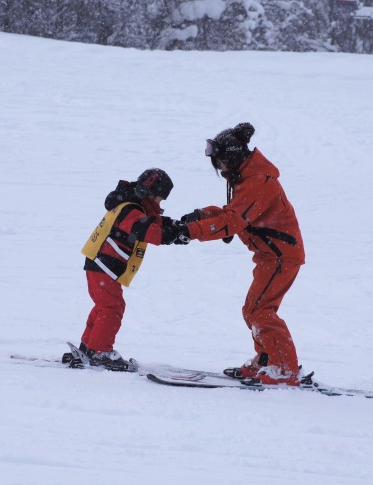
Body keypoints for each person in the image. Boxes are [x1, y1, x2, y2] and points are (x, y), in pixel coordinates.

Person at [174, 123, 306, 386]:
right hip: (270, 256)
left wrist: (193, 231)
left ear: (232, 157)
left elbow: (233, 221)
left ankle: (284, 371)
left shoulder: (258, 181)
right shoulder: (248, 177)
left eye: (220, 161)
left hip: (281, 256)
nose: (219, 168)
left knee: (261, 311)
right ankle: (268, 360)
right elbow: (232, 212)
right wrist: (201, 216)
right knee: (253, 310)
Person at [74, 168, 189, 371]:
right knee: (112, 307)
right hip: (104, 265)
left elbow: (151, 221)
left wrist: (176, 225)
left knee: (105, 306)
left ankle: (89, 347)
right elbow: (145, 229)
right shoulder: (130, 209)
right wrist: (171, 236)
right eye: (159, 199)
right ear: (148, 193)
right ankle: (100, 352)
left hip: (101, 265)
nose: (159, 204)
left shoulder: (131, 205)